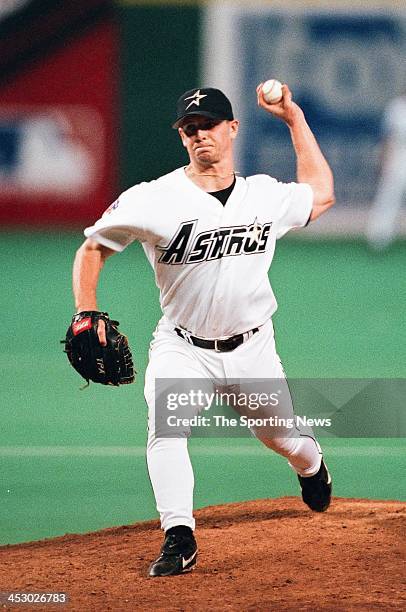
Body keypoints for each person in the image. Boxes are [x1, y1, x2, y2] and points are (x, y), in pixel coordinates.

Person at [72, 83, 335, 577]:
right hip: (182, 346)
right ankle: (179, 536)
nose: (199, 135)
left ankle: (311, 464)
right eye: (189, 129)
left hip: (253, 349)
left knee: (282, 438)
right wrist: (85, 311)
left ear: (232, 129)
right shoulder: (154, 198)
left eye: (209, 125)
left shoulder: (263, 195)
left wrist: (294, 119)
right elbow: (93, 248)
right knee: (165, 429)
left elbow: (322, 194)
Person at [366, 93, 406, 250]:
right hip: (398, 156)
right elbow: (388, 137)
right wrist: (383, 160)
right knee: (388, 198)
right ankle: (378, 239)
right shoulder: (396, 107)